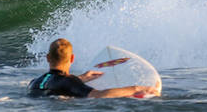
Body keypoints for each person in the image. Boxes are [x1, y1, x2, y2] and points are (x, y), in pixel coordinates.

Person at [27, 38, 158, 99]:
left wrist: (80, 79)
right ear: (72, 58)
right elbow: (98, 95)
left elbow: (56, 83)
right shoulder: (69, 82)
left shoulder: (35, 82)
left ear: (48, 58)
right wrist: (136, 88)